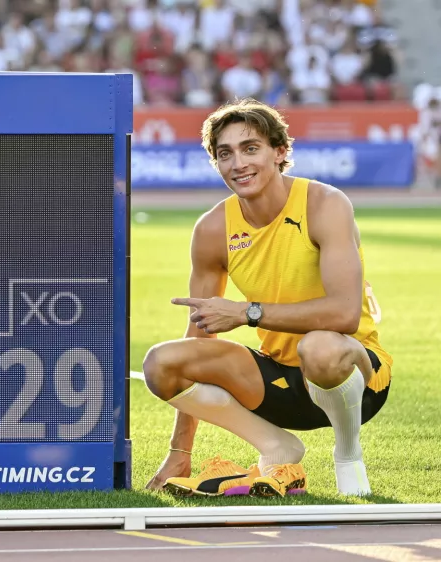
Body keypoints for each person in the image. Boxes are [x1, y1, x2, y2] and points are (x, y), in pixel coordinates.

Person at [141, 97, 393, 498]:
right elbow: (200, 335)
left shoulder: (325, 204)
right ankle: (277, 446)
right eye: (225, 154)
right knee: (161, 363)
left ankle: (347, 454)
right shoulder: (212, 229)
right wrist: (179, 449)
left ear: (280, 152)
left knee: (321, 347)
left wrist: (246, 313)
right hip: (278, 381)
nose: (238, 163)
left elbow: (344, 315)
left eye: (250, 148)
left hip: (354, 376)